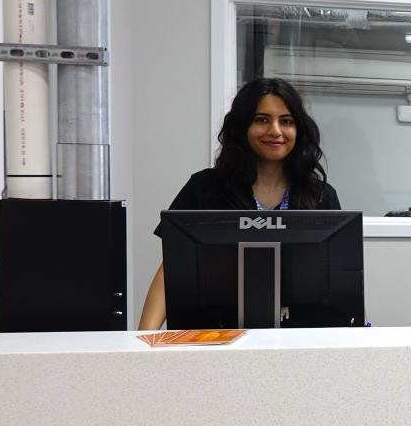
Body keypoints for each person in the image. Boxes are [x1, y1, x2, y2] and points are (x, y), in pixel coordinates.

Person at [138, 78, 340, 330]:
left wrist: (359, 331)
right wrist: (143, 341)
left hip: (296, 338)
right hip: (214, 338)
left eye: (286, 121)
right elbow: (171, 270)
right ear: (242, 127)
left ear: (299, 130)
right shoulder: (204, 188)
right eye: (262, 119)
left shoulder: (320, 195)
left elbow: (339, 279)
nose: (275, 131)